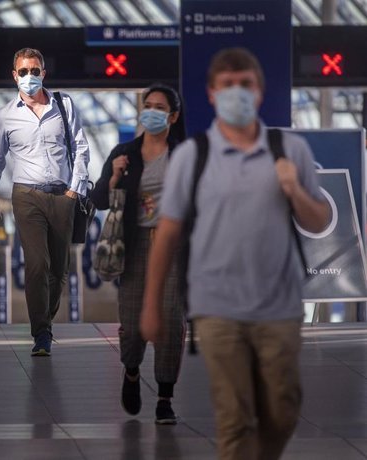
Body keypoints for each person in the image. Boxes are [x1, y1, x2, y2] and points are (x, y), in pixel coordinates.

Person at [141, 48, 330, 460]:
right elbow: (167, 232)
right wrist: (152, 307)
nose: (237, 93)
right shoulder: (193, 156)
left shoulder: (289, 149)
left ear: (260, 91)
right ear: (211, 94)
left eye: (245, 84)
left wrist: (294, 190)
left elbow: (319, 220)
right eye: (227, 86)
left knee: (282, 410)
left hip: (279, 305)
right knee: (235, 419)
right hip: (217, 308)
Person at [0, 47, 90, 356]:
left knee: (59, 269)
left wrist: (74, 191)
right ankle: (41, 333)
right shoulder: (5, 116)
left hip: (62, 195)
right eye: (23, 71)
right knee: (37, 264)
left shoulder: (64, 105)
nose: (30, 76)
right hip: (26, 195)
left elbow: (81, 147)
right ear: (14, 76)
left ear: (43, 73)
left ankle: (46, 320)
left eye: (35, 70)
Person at [93, 83, 185, 424]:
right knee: (132, 324)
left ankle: (165, 397)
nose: (153, 112)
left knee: (171, 321)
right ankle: (131, 371)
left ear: (173, 116)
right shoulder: (125, 153)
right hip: (133, 245)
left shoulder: (183, 154)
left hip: (173, 246)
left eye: (160, 107)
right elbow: (100, 199)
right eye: (148, 105)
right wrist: (115, 175)